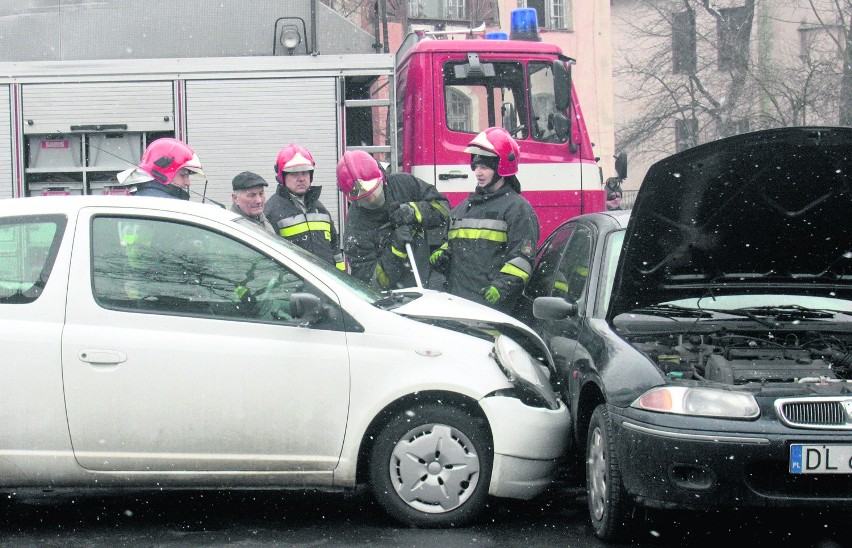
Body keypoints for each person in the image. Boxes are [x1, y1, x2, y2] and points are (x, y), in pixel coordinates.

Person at [430, 127, 539, 314]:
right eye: (476, 167)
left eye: (485, 167)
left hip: (494, 309)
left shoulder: (518, 209)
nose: (478, 173)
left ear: (501, 168)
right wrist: (443, 253)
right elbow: (453, 243)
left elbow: (521, 259)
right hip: (459, 303)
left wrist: (500, 288)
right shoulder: (464, 208)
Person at [336, 150, 450, 291]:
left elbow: (443, 208)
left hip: (428, 282)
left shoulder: (404, 185)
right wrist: (396, 249)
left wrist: (414, 211)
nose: (372, 199)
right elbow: (371, 285)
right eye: (365, 199)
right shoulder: (356, 230)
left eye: (375, 192)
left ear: (383, 179)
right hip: (393, 301)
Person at [264, 144, 345, 269]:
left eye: (304, 173)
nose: (301, 179)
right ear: (282, 177)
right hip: (295, 286)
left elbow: (335, 251)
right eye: (294, 174)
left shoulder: (321, 210)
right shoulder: (271, 212)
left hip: (326, 284)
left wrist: (341, 279)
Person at [117, 137, 205, 200]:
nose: (188, 183)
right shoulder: (169, 205)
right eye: (182, 176)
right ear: (163, 174)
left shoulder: (142, 198)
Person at [230, 171, 276, 235]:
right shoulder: (232, 229)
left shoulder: (264, 218)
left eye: (261, 194)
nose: (259, 201)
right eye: (252, 195)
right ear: (235, 198)